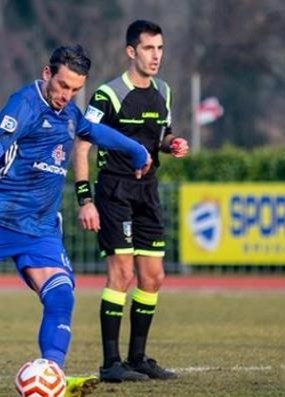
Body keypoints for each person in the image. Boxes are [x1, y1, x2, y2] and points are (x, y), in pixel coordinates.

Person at [0, 44, 151, 397]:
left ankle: (52, 374)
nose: (67, 96)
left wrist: (137, 149)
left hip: (40, 229)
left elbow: (93, 132)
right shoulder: (23, 105)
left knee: (61, 296)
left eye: (75, 89)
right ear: (46, 73)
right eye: (63, 86)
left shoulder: (69, 113)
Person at [72, 19, 189, 383]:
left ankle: (138, 359)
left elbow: (160, 136)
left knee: (153, 277)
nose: (156, 56)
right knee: (121, 274)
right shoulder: (107, 95)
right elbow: (82, 144)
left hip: (147, 192)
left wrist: (172, 144)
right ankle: (111, 364)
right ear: (131, 51)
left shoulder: (164, 92)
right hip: (114, 191)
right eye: (149, 48)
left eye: (160, 49)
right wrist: (85, 200)